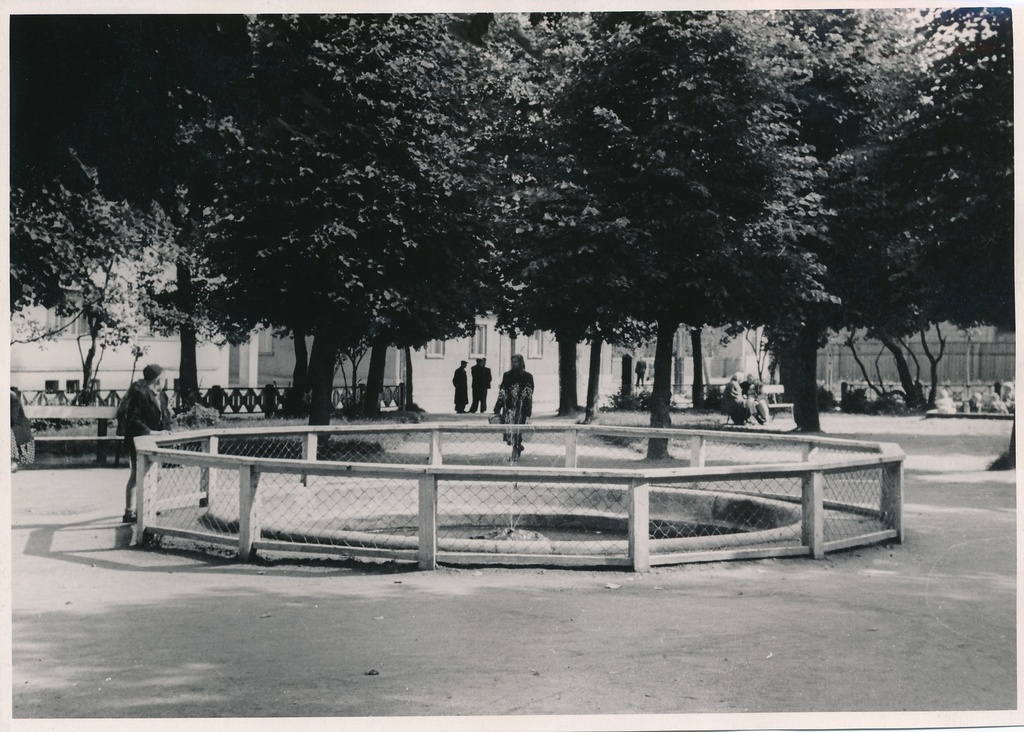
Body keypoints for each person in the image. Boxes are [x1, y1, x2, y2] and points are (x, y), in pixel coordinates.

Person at [121, 364, 172, 523]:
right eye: (164, 378)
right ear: (158, 379)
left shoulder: (162, 396)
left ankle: (149, 506)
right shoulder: (139, 395)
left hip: (155, 441)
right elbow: (133, 421)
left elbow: (165, 418)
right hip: (139, 440)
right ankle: (130, 511)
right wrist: (154, 433)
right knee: (137, 475)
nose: (165, 381)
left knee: (156, 475)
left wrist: (167, 433)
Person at [493, 354, 534, 459]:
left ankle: (515, 451)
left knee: (517, 429)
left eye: (516, 362)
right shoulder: (507, 375)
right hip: (509, 407)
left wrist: (528, 410)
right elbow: (502, 391)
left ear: (521, 363)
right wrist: (498, 405)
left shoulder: (527, 376)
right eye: (513, 362)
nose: (514, 364)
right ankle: (518, 446)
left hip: (521, 408)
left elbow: (529, 394)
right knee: (509, 431)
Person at [10, 387, 34, 472]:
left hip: (19, 427)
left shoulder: (12, 399)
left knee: (7, 433)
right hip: (11, 426)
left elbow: (12, 419)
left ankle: (13, 462)